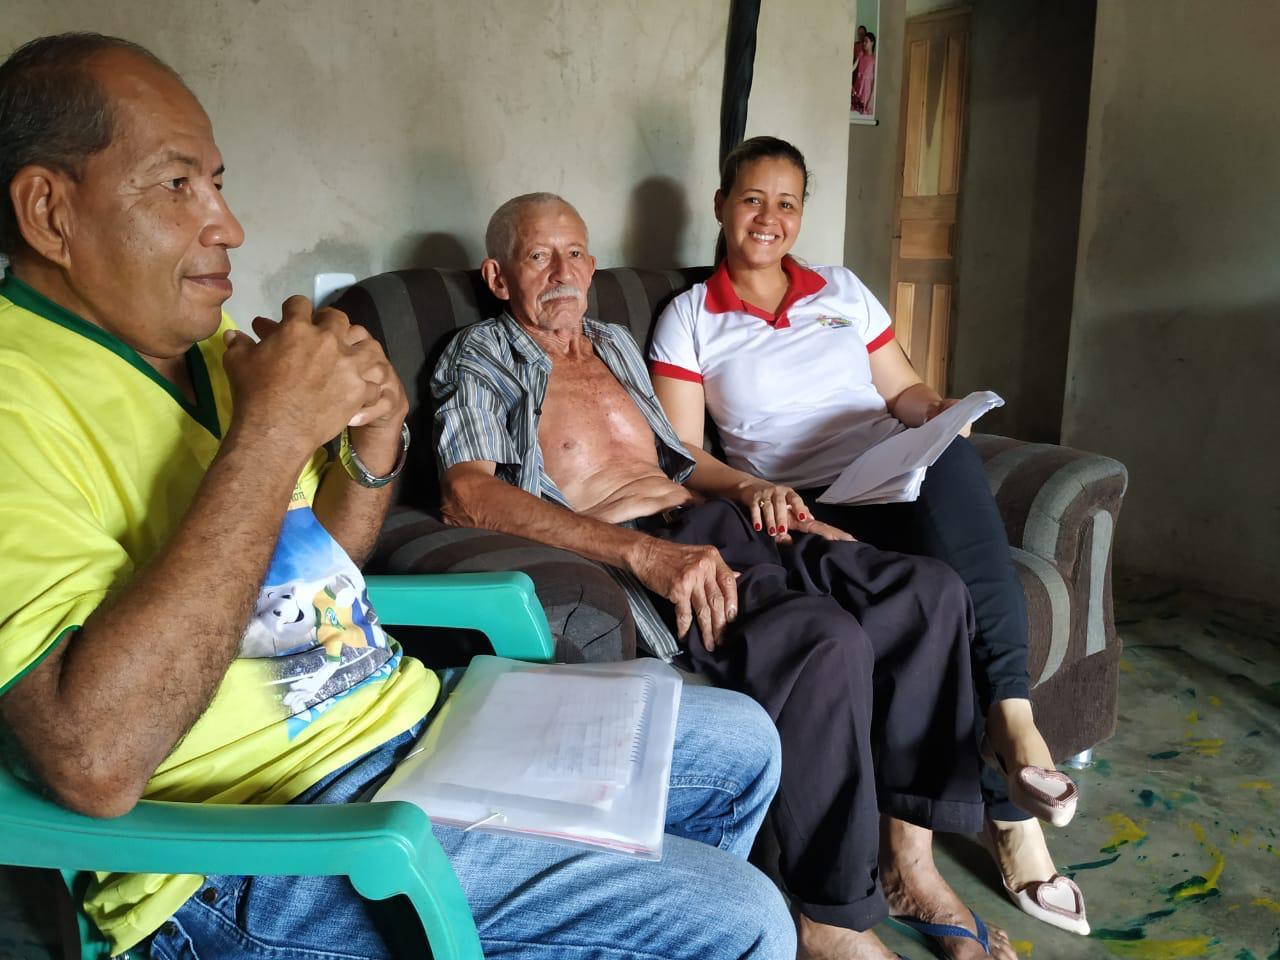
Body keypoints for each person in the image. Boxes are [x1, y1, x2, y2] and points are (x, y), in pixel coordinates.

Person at [0, 33, 797, 960]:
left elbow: (312, 567)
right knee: (741, 920)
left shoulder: (208, 358)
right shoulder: (18, 398)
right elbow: (91, 760)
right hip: (256, 843)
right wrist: (270, 435)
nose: (227, 224)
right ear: (49, 211)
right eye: (178, 185)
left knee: (742, 741)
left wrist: (374, 448)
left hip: (400, 723)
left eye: (217, 181)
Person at [431, 191, 1018, 960]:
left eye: (575, 252)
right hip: (635, 547)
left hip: (715, 520)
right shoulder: (481, 355)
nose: (563, 271)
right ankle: (828, 918)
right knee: (824, 642)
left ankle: (909, 865)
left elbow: (679, 458)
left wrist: (762, 495)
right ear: (499, 276)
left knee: (928, 593)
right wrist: (643, 554)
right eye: (539, 255)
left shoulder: (609, 342)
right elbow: (465, 494)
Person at [648, 135, 1090, 939]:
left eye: (787, 202)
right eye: (752, 199)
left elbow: (905, 392)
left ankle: (1015, 715)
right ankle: (1006, 803)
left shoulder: (842, 291)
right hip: (798, 498)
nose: (769, 218)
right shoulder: (690, 318)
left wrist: (942, 417)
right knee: (932, 596)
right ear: (721, 206)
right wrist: (752, 486)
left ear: (802, 213)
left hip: (887, 473)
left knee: (952, 458)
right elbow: (684, 457)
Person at [852, 33, 876, 114]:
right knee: (855, 110)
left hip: (866, 90)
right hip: (858, 86)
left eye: (866, 41)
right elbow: (853, 68)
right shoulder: (861, 56)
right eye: (863, 42)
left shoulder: (874, 59)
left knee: (864, 111)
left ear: (872, 43)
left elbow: (874, 81)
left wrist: (871, 98)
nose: (864, 43)